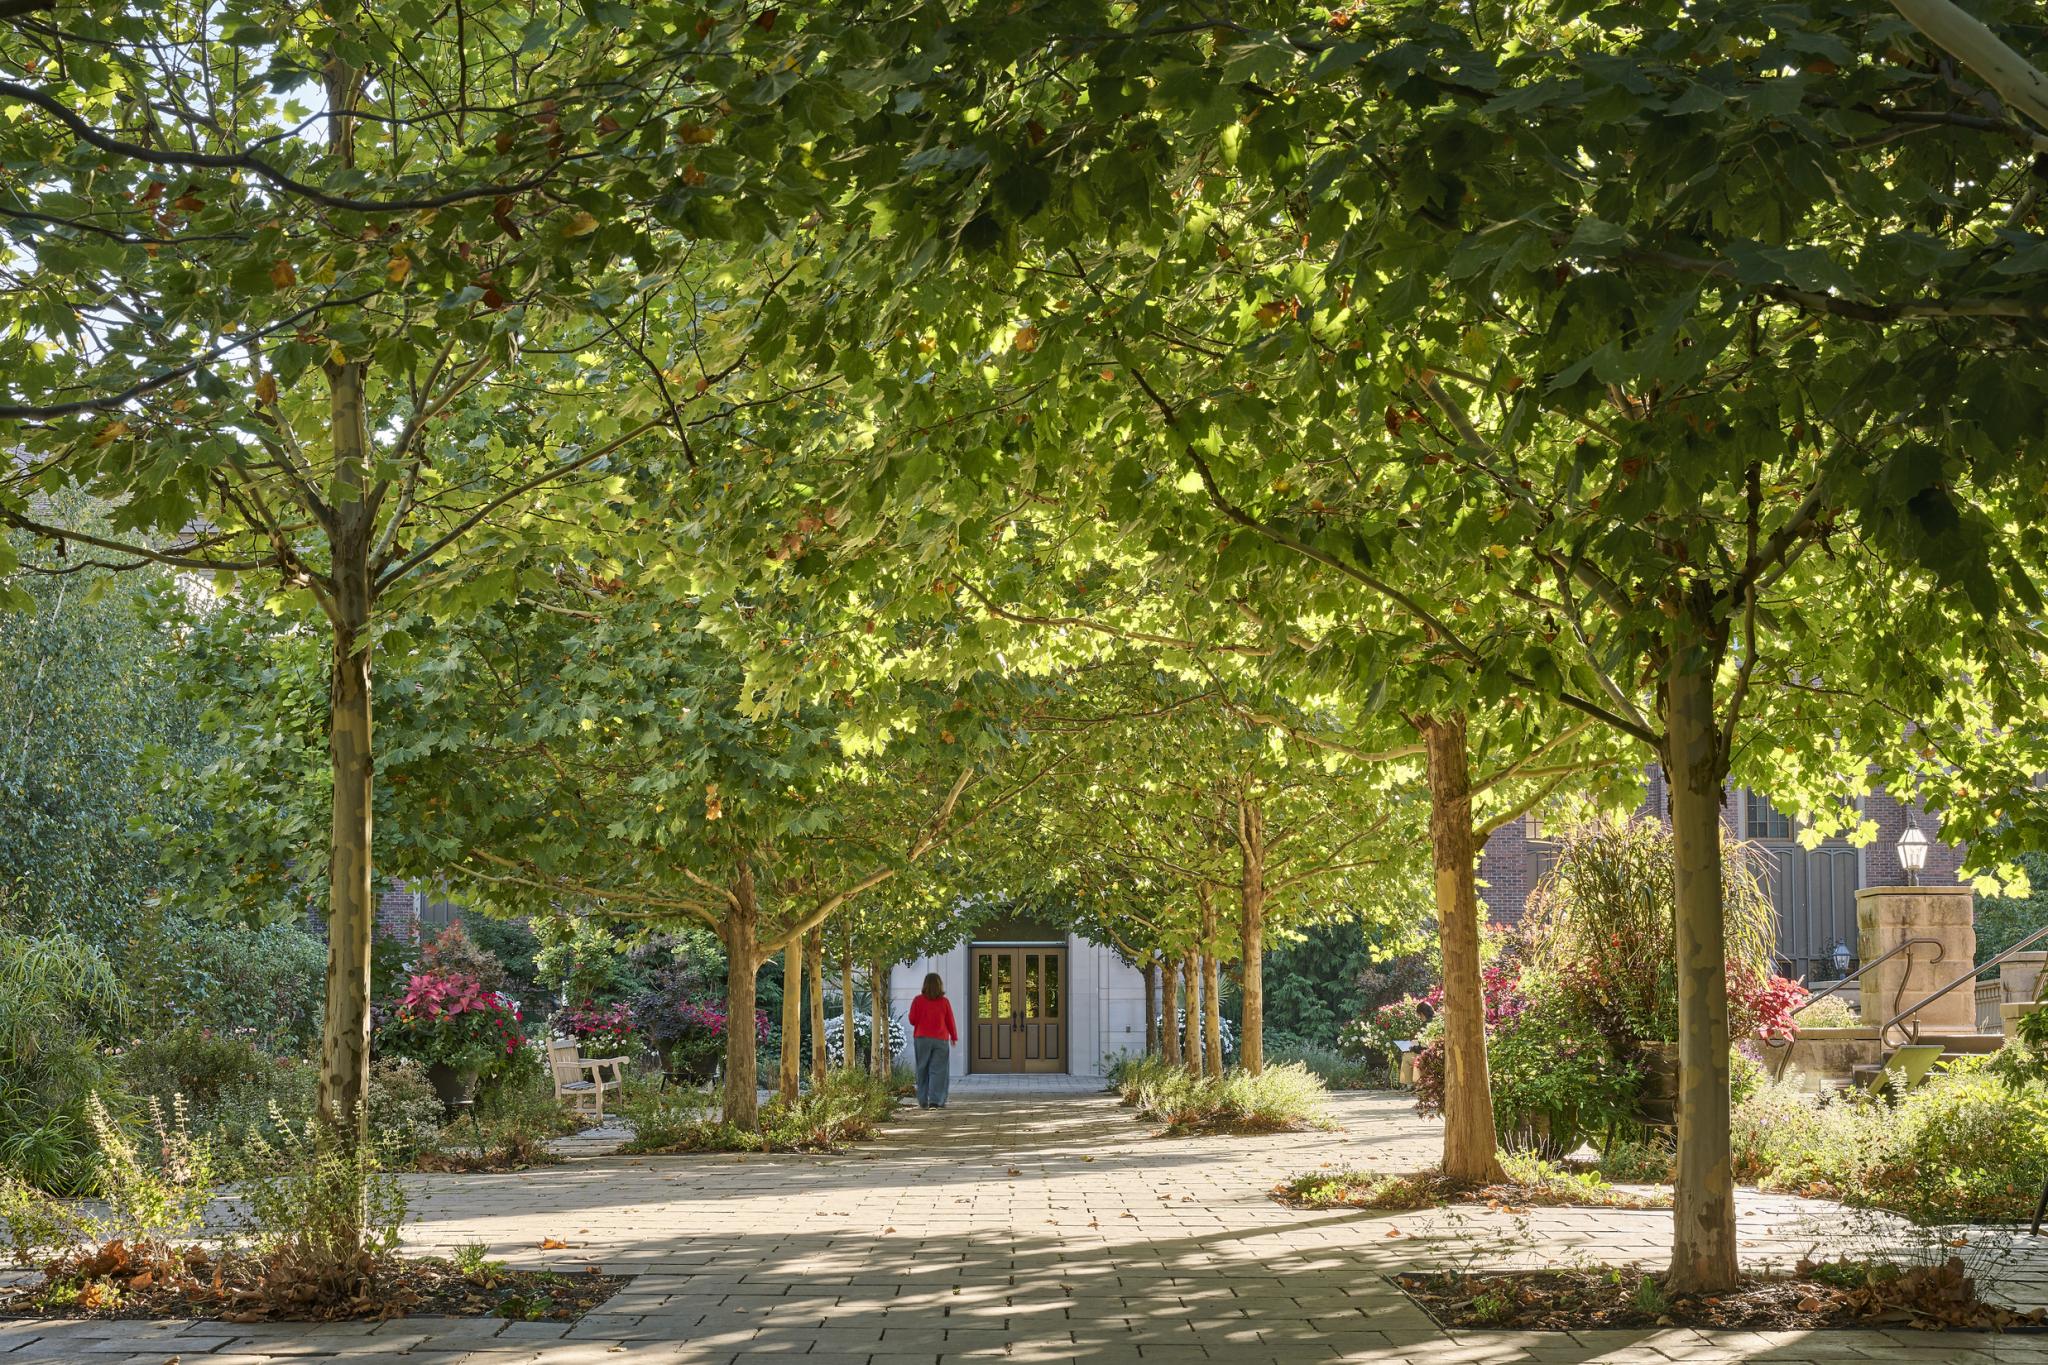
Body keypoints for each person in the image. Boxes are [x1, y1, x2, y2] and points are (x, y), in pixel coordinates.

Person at [907, 971, 957, 1109]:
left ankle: (923, 1100)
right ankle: (935, 1101)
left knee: (922, 1069)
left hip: (922, 1039)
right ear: (939, 985)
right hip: (940, 1039)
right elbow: (950, 1021)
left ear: (925, 985)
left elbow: (912, 1020)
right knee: (939, 1070)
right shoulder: (944, 1002)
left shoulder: (917, 1000)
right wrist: (953, 1036)